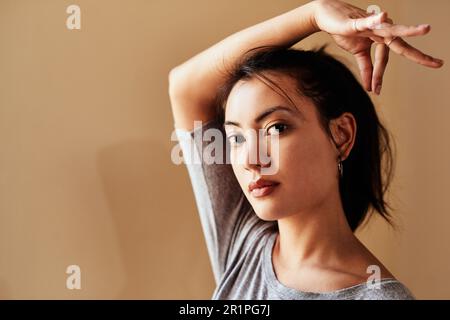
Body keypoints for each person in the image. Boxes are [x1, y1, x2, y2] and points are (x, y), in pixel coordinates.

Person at [168, 0, 443, 300]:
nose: (250, 159)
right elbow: (184, 86)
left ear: (341, 135)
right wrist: (312, 15)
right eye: (236, 138)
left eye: (276, 128)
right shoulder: (243, 245)